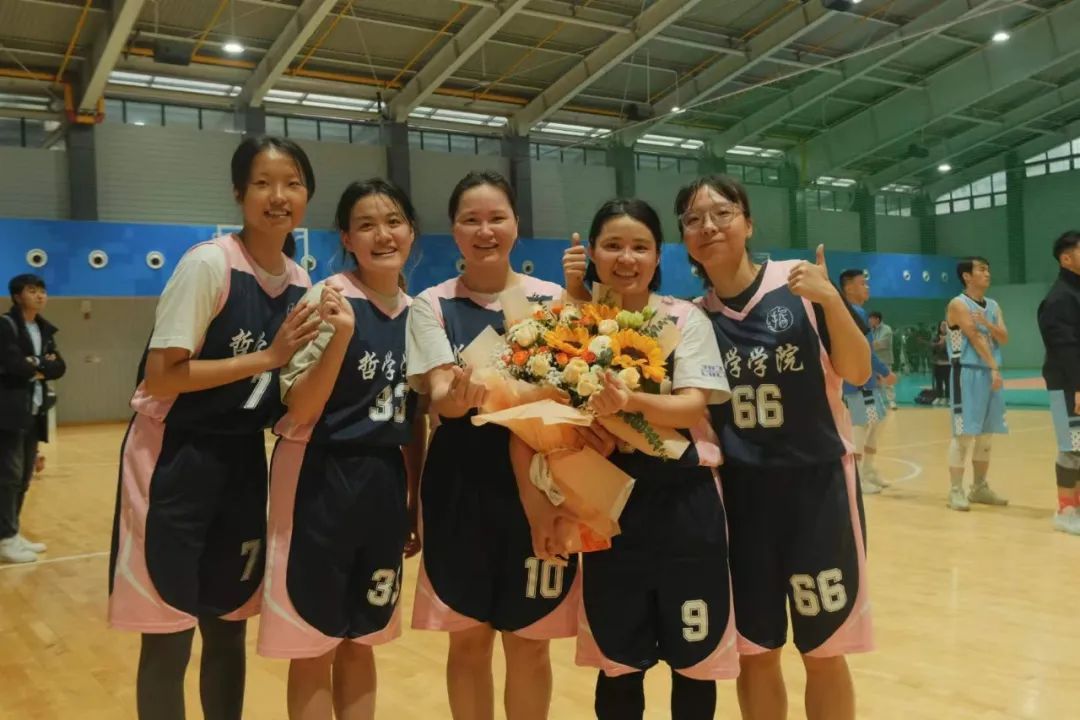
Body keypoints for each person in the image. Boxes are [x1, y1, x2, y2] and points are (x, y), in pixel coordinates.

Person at [108, 136, 320, 720]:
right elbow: (162, 375)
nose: (278, 196)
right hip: (174, 456)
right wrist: (267, 358)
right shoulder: (209, 264)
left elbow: (287, 388)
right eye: (263, 183)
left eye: (292, 183)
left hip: (242, 458)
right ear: (238, 193)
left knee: (228, 623)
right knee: (169, 629)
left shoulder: (302, 282)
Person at [680, 175, 873, 720]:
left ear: (748, 222)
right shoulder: (694, 319)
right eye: (693, 219)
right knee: (756, 652)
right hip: (741, 503)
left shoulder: (799, 285)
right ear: (685, 239)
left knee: (824, 649)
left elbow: (858, 372)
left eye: (722, 212)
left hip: (818, 493)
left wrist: (831, 298)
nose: (709, 226)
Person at [555, 199, 737, 719]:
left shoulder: (685, 317)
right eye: (613, 245)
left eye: (640, 246)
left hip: (686, 503)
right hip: (609, 503)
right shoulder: (574, 323)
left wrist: (628, 403)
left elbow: (692, 406)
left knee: (694, 660)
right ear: (592, 253)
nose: (626, 258)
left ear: (658, 256)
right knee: (618, 661)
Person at [405, 170, 576, 720]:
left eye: (496, 217)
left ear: (516, 225)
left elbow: (569, 392)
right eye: (471, 220)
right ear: (454, 230)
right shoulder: (430, 304)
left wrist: (491, 389)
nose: (485, 231)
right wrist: (462, 396)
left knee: (530, 642)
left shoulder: (550, 300)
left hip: (539, 486)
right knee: (469, 642)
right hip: (460, 488)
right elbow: (442, 397)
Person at [257, 179, 426, 719]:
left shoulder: (421, 313)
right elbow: (301, 408)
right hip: (318, 474)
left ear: (411, 231)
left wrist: (414, 501)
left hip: (384, 480)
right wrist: (342, 340)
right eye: (366, 225)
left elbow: (416, 421)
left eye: (393, 221)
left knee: (362, 637)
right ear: (347, 239)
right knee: (313, 641)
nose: (383, 235)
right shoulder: (325, 299)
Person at [0, 274, 65, 563]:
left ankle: (12, 532)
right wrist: (41, 365)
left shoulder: (43, 329)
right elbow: (13, 364)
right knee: (8, 477)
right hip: (9, 412)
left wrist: (35, 365)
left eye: (42, 290)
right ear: (17, 297)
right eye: (32, 290)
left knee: (24, 478)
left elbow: (59, 367)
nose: (40, 295)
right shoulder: (6, 325)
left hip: (34, 411)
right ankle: (5, 539)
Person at [945, 256, 1009, 512]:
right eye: (982, 269)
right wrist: (993, 366)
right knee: (963, 435)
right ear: (966, 276)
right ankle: (955, 490)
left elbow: (1003, 337)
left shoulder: (993, 305)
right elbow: (973, 337)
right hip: (967, 373)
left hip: (989, 373)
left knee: (986, 435)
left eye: (988, 269)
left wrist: (988, 323)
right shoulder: (958, 304)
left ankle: (979, 487)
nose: (987, 273)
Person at [1037, 231, 1080, 535]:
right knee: (1071, 447)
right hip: (1068, 383)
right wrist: (1078, 387)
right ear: (1066, 258)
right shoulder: (1059, 297)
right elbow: (1065, 347)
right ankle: (1065, 510)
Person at [838, 270, 896, 495]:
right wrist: (885, 371)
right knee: (861, 426)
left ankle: (869, 470)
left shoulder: (854, 311)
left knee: (876, 422)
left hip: (866, 379)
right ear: (849, 288)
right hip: (858, 381)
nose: (867, 287)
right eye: (862, 284)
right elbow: (865, 351)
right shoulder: (854, 312)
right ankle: (858, 478)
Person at [868, 311, 897, 410]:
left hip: (885, 360)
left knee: (888, 382)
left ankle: (892, 401)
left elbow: (882, 344)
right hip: (874, 360)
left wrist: (868, 345)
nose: (869, 320)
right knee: (876, 383)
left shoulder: (887, 329)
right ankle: (879, 402)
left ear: (877, 319)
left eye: (871, 318)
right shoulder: (870, 329)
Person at [931, 320, 950, 406]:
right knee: (939, 381)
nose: (944, 327)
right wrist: (939, 344)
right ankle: (939, 397)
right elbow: (932, 348)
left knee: (948, 382)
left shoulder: (951, 337)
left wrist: (946, 343)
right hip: (938, 364)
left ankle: (948, 398)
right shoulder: (935, 338)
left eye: (946, 325)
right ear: (939, 327)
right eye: (942, 325)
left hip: (948, 364)